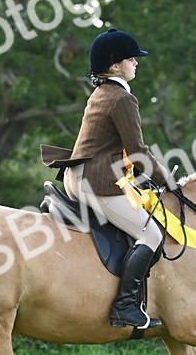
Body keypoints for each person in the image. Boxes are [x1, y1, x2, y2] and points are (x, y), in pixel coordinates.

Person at [65, 28, 172, 330]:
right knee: (152, 235)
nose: (136, 63)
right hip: (96, 182)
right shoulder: (122, 98)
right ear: (115, 66)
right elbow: (137, 151)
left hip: (80, 175)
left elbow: (114, 150)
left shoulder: (103, 93)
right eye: (131, 59)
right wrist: (166, 180)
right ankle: (124, 306)